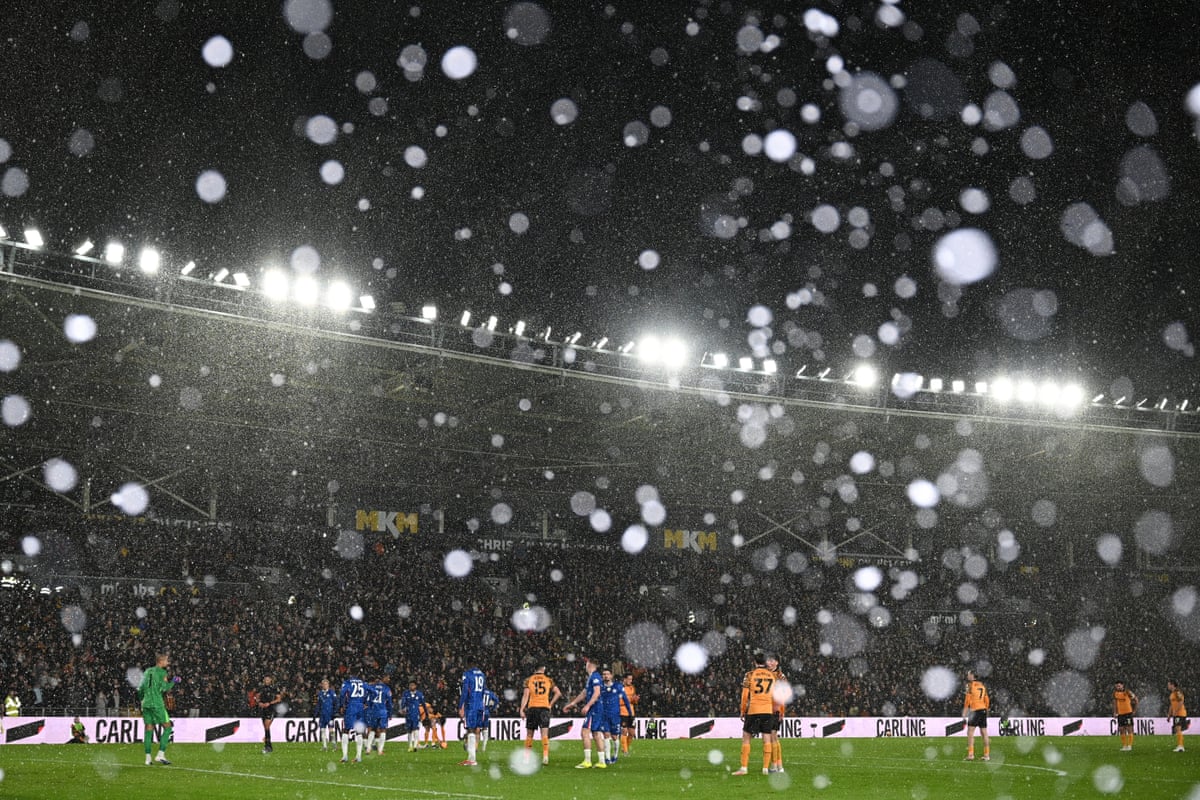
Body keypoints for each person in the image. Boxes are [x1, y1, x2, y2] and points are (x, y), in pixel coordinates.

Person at [733, 651, 778, 776]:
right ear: (765, 662)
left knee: (746, 738)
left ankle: (744, 768)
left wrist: (742, 710)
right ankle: (765, 769)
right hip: (767, 710)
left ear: (754, 662)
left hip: (753, 710)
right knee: (767, 738)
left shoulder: (749, 675)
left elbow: (744, 695)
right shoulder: (772, 676)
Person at [562, 656, 606, 769]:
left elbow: (596, 693)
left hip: (594, 709)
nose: (585, 666)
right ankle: (602, 762)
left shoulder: (595, 676)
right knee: (596, 734)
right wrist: (572, 704)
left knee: (585, 732)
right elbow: (584, 693)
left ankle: (587, 761)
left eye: (586, 664)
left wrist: (587, 705)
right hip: (597, 708)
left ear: (590, 664)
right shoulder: (591, 677)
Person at [519, 664, 562, 765]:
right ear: (544, 669)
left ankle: (526, 758)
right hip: (544, 708)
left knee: (530, 735)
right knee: (545, 734)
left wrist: (521, 709)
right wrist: (550, 704)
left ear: (535, 670)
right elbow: (558, 693)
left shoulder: (529, 680)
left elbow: (526, 695)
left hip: (532, 708)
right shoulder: (548, 680)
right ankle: (545, 756)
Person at [137, 653, 175, 766]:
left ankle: (148, 759)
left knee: (149, 729)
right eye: (166, 660)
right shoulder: (162, 672)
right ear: (161, 661)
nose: (168, 662)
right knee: (168, 728)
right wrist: (174, 681)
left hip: (146, 704)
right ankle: (160, 754)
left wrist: (141, 700)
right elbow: (165, 688)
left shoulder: (147, 671)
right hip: (157, 704)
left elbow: (140, 688)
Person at [458, 662, 487, 766]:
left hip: (471, 704)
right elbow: (483, 690)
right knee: (475, 730)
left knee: (470, 729)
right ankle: (471, 758)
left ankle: (472, 759)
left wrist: (461, 705)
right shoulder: (482, 674)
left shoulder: (467, 674)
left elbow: (465, 690)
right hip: (480, 704)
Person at [600, 668, 630, 765]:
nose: (606, 676)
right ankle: (607, 758)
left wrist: (630, 712)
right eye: (604, 674)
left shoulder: (617, 686)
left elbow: (625, 699)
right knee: (606, 735)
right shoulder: (600, 687)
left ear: (611, 676)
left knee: (614, 737)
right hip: (604, 715)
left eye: (607, 674)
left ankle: (615, 755)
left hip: (615, 716)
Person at [339, 670, 368, 763]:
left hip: (351, 706)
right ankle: (358, 756)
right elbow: (373, 692)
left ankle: (344, 756)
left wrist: (342, 705)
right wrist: (366, 703)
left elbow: (342, 694)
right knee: (359, 731)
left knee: (346, 730)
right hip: (360, 707)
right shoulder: (363, 683)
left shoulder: (347, 683)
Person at [962, 670, 991, 761]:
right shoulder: (982, 685)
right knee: (984, 733)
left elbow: (967, 700)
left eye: (969, 674)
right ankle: (987, 755)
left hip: (975, 710)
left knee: (970, 732)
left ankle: (971, 754)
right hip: (983, 710)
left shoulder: (969, 685)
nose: (967, 676)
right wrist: (985, 708)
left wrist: (965, 712)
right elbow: (987, 699)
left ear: (972, 676)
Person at [255, 675, 283, 754]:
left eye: (268, 680)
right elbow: (256, 697)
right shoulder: (261, 688)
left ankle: (267, 746)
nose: (267, 681)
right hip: (263, 709)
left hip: (271, 709)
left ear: (271, 680)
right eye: (265, 679)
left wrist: (270, 703)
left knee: (267, 726)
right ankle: (269, 746)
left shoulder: (274, 688)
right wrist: (259, 702)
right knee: (265, 727)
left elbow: (279, 699)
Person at [365, 676, 393, 755]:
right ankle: (380, 750)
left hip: (373, 711)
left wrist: (370, 708)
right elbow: (389, 703)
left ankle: (368, 749)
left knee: (372, 729)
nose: (388, 679)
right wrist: (390, 713)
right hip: (382, 711)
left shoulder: (372, 687)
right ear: (382, 679)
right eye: (387, 678)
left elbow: (368, 700)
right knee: (383, 730)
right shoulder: (387, 689)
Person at [1113, 679, 1139, 751]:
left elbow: (1136, 700)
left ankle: (1129, 746)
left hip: (1128, 713)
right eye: (1117, 686)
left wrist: (1134, 710)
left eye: (1119, 686)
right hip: (1120, 714)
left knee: (1129, 728)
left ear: (1122, 685)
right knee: (1121, 729)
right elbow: (1115, 703)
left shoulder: (1127, 692)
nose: (1118, 687)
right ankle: (1124, 746)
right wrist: (1115, 712)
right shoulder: (1115, 693)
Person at [400, 680, 424, 752]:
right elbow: (403, 702)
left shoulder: (419, 694)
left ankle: (415, 746)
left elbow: (423, 704)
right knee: (409, 731)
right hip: (408, 714)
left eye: (413, 685)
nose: (411, 686)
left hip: (416, 714)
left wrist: (426, 713)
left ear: (415, 686)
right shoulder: (406, 693)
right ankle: (410, 746)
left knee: (416, 729)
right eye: (410, 685)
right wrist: (402, 708)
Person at [315, 678, 337, 751]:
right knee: (322, 730)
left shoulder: (332, 693)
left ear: (328, 685)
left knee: (331, 730)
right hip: (322, 715)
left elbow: (336, 703)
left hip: (329, 715)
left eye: (326, 684)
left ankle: (334, 745)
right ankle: (324, 746)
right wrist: (315, 714)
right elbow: (318, 704)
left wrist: (334, 713)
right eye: (323, 684)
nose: (324, 685)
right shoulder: (320, 693)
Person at [619, 674, 638, 756]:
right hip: (622, 712)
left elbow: (633, 702)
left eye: (631, 679)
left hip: (631, 713)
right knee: (624, 731)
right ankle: (626, 751)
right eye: (629, 679)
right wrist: (630, 700)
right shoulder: (620, 688)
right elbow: (619, 701)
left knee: (632, 733)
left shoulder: (632, 688)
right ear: (625, 679)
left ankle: (624, 748)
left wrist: (635, 700)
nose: (630, 681)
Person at [1168, 679, 1188, 752]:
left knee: (1178, 729)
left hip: (1180, 713)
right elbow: (1171, 705)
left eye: (1169, 684)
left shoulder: (1177, 692)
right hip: (1176, 714)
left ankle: (1181, 746)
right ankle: (1180, 745)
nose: (1168, 686)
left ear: (1172, 685)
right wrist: (1169, 714)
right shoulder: (1172, 694)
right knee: (1177, 729)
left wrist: (1176, 711)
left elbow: (1181, 701)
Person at [480, 685, 499, 752]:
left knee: (477, 728)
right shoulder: (490, 693)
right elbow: (496, 700)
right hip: (486, 712)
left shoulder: (479, 692)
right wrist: (492, 708)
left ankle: (475, 746)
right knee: (485, 728)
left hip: (479, 711)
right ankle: (484, 747)